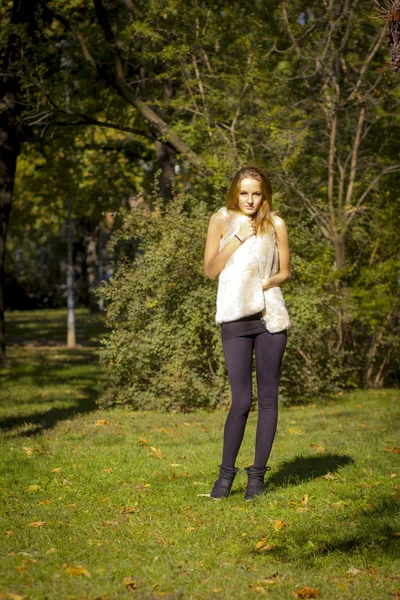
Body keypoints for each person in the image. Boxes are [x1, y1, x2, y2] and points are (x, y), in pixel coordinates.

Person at [203, 166, 291, 501]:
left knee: (268, 399)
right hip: (235, 318)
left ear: (264, 194)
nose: (250, 199)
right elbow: (211, 270)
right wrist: (239, 236)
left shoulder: (276, 224)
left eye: (256, 193)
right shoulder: (221, 219)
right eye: (244, 193)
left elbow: (285, 272)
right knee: (241, 400)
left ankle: (257, 479)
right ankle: (225, 478)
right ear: (234, 193)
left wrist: (264, 284)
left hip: (270, 317)